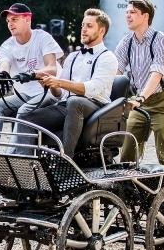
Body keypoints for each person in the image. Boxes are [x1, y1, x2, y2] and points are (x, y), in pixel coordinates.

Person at [15, 9, 118, 157]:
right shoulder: (72, 57)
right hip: (67, 105)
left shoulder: (107, 58)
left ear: (102, 31)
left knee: (75, 102)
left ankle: (65, 160)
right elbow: (61, 94)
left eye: (89, 26)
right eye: (83, 25)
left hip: (95, 107)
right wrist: (51, 86)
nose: (83, 29)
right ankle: (25, 165)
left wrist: (60, 82)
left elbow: (93, 89)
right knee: (25, 118)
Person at [0, 3, 63, 151]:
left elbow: (52, 68)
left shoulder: (43, 37)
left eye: (14, 19)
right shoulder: (7, 46)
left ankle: (14, 155)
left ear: (27, 19)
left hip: (49, 93)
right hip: (24, 95)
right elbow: (4, 65)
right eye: (8, 21)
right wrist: (2, 74)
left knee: (24, 111)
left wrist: (32, 74)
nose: (10, 24)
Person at [115, 0, 164, 167]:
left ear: (145, 16)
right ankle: (129, 183)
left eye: (133, 12)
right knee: (127, 155)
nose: (128, 15)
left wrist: (141, 98)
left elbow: (156, 74)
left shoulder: (160, 39)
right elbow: (116, 74)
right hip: (139, 103)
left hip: (163, 102)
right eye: (127, 12)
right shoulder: (125, 43)